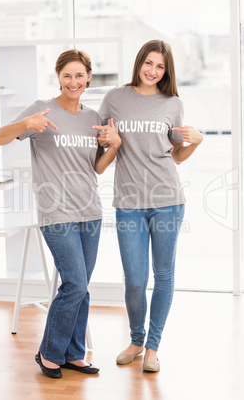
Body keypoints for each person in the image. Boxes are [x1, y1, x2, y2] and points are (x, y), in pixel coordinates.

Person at [0, 49, 121, 378]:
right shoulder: (41, 109)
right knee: (75, 283)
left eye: (80, 75)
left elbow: (96, 168)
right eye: (67, 76)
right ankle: (49, 353)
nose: (74, 81)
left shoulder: (92, 116)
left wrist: (115, 146)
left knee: (82, 286)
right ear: (59, 77)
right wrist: (25, 123)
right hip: (56, 212)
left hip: (89, 211)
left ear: (89, 77)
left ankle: (74, 354)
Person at [93, 40, 203, 372]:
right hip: (128, 202)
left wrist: (196, 143)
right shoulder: (115, 98)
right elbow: (100, 142)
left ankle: (153, 347)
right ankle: (136, 339)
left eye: (160, 67)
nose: (153, 71)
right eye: (149, 63)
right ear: (139, 62)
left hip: (167, 201)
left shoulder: (172, 103)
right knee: (136, 279)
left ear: (166, 71)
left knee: (164, 274)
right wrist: (106, 142)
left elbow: (175, 156)